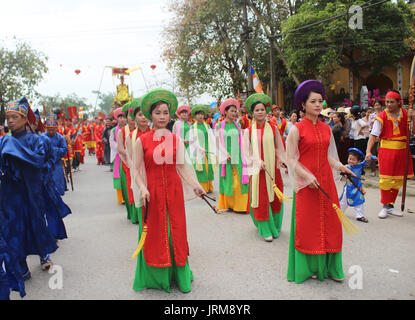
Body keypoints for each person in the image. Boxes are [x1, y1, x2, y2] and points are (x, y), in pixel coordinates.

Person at [131, 89, 205, 293]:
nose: (162, 116)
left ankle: (179, 275)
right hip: (152, 194)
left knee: (177, 232)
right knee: (156, 235)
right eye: (157, 112)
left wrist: (196, 185)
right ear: (150, 115)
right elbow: (136, 170)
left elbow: (182, 167)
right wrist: (143, 187)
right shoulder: (141, 141)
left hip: (173, 193)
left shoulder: (176, 140)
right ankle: (157, 277)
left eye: (165, 112)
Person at [286, 80, 354, 284]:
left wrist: (341, 166)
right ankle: (310, 268)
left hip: (326, 184)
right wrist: (307, 176)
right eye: (313, 101)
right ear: (303, 104)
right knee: (309, 227)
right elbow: (291, 159)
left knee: (331, 225)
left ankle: (331, 267)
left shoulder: (326, 128)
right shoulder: (296, 130)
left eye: (320, 101)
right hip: (307, 185)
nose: (318, 105)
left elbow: (328, 156)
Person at [0, 97, 58, 281]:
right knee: (13, 228)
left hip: (32, 191)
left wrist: (16, 154)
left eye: (14, 117)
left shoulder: (36, 141)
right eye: (8, 117)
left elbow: (39, 160)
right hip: (11, 193)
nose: (10, 121)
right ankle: (21, 266)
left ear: (25, 119)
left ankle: (44, 254)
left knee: (36, 223)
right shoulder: (4, 142)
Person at [243, 93, 286, 242]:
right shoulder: (248, 131)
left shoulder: (273, 129)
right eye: (257, 110)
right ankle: (264, 228)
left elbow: (279, 148)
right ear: (252, 113)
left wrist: (282, 160)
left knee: (275, 197)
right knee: (261, 198)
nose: (260, 112)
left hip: (273, 169)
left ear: (266, 111)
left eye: (262, 109)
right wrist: (257, 161)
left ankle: (274, 225)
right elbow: (246, 152)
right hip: (258, 170)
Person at [365, 90, 414, 219]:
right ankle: (385, 206)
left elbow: (412, 133)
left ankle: (390, 206)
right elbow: (373, 136)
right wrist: (368, 151)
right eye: (387, 102)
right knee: (386, 179)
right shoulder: (381, 117)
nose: (388, 104)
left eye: (392, 102)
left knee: (398, 180)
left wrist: (413, 117)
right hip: (387, 150)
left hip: (402, 151)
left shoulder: (406, 114)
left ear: (399, 103)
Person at [215, 98, 249, 213]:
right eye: (232, 111)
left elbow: (242, 141)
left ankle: (241, 205)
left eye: (235, 111)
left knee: (239, 180)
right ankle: (229, 204)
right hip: (226, 157)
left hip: (238, 156)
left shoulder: (237, 125)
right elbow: (217, 142)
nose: (234, 113)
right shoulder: (219, 126)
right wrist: (225, 153)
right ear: (225, 111)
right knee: (228, 180)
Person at [118, 101, 139, 224]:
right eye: (130, 116)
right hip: (127, 163)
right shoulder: (122, 131)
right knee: (130, 188)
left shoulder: (140, 130)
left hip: (140, 162)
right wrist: (132, 154)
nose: (131, 119)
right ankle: (133, 215)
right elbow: (120, 149)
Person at [190, 104, 216, 194]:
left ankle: (209, 187)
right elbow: (192, 140)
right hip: (198, 151)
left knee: (208, 167)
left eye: (201, 114)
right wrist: (199, 148)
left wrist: (214, 148)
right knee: (201, 169)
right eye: (198, 114)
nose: (200, 116)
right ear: (195, 116)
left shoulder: (207, 126)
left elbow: (212, 138)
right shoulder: (193, 127)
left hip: (208, 150)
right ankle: (202, 188)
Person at [339, 148, 369, 223]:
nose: (350, 161)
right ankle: (339, 212)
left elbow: (366, 161)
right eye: (350, 158)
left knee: (359, 201)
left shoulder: (360, 165)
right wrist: (344, 174)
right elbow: (340, 169)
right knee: (344, 200)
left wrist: (371, 157)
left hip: (357, 188)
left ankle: (360, 216)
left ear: (358, 161)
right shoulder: (346, 167)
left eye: (353, 159)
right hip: (349, 188)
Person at [42, 114, 68, 196]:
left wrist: (53, 150)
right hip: (45, 164)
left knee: (57, 183)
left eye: (53, 130)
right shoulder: (42, 137)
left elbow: (64, 149)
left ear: (56, 128)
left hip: (56, 164)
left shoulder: (60, 138)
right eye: (49, 130)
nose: (51, 132)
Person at [111, 108, 127, 205]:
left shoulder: (129, 129)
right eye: (120, 117)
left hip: (128, 154)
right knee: (118, 175)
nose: (122, 119)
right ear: (117, 119)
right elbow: (112, 143)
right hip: (118, 156)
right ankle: (120, 197)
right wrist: (120, 148)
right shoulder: (113, 130)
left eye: (124, 117)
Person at [368, 100, 383, 176]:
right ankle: (373, 170)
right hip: (373, 136)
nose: (377, 107)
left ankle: (382, 170)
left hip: (383, 136)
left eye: (378, 105)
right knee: (373, 153)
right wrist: (374, 136)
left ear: (381, 106)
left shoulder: (384, 114)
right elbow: (370, 126)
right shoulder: (371, 115)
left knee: (382, 153)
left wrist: (380, 136)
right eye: (375, 105)